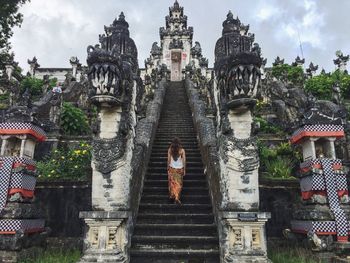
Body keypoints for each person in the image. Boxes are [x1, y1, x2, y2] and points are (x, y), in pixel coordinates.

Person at [167, 137, 186, 204]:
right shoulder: (182, 150)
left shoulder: (170, 150)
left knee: (172, 184)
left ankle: (173, 196)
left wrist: (167, 168)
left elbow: (168, 160)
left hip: (172, 169)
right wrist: (184, 169)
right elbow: (184, 161)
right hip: (179, 169)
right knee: (179, 184)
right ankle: (177, 198)